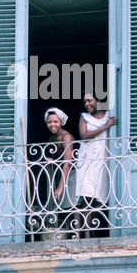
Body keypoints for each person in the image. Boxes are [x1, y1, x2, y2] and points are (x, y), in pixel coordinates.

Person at [75, 91, 117, 238]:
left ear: (98, 99)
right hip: (86, 160)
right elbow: (84, 136)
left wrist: (107, 124)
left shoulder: (109, 115)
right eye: (85, 102)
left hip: (102, 160)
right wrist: (104, 127)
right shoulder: (84, 117)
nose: (87, 104)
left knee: (100, 195)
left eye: (89, 100)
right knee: (86, 196)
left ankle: (97, 231)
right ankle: (84, 235)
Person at [44, 108, 76, 209]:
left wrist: (60, 187)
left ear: (61, 122)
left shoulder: (66, 137)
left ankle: (77, 225)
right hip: (62, 174)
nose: (52, 125)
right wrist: (52, 160)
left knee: (73, 207)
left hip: (73, 174)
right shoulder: (52, 138)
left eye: (55, 121)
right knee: (64, 207)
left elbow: (67, 162)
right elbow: (59, 159)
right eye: (49, 122)